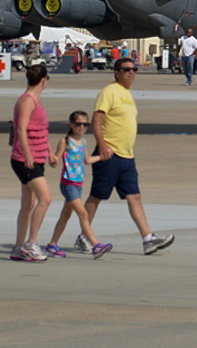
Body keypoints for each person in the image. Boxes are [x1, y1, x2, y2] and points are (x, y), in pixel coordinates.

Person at [84, 58, 174, 256]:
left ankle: (148, 239)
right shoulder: (109, 92)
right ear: (117, 72)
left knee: (135, 196)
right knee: (97, 196)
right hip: (109, 154)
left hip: (127, 156)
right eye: (126, 70)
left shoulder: (127, 94)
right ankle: (84, 236)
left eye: (134, 69)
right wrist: (102, 145)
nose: (131, 73)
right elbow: (96, 121)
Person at [44, 111, 113, 259]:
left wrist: (102, 157)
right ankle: (96, 245)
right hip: (68, 184)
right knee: (82, 213)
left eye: (85, 124)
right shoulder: (65, 141)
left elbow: (87, 160)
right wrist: (53, 160)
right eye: (78, 124)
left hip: (78, 184)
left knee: (65, 215)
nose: (81, 127)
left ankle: (52, 245)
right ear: (71, 124)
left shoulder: (83, 141)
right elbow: (56, 158)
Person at [10, 64, 54, 261]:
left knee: (29, 204)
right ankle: (31, 243)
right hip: (24, 159)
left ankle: (19, 246)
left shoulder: (37, 100)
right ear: (43, 81)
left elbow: (41, 130)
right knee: (45, 198)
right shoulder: (27, 101)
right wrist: (27, 154)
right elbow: (21, 129)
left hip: (37, 157)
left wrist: (50, 152)